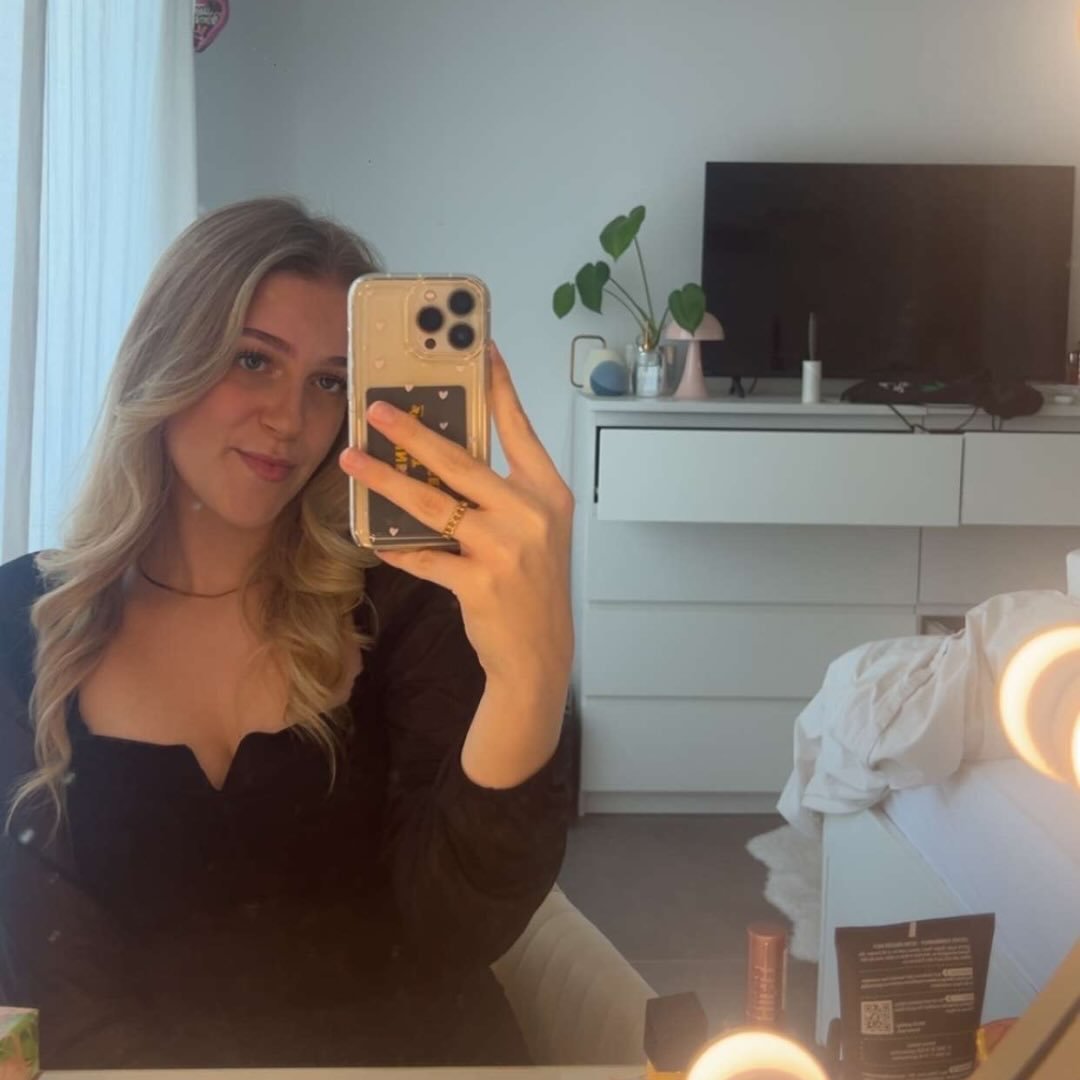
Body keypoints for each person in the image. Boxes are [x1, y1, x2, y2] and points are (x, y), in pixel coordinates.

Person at [0, 197, 575, 1068]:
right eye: (253, 360)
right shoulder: (24, 620)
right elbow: (51, 973)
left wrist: (533, 676)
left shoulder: (404, 604)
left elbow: (459, 927)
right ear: (167, 358)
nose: (289, 418)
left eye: (331, 381)